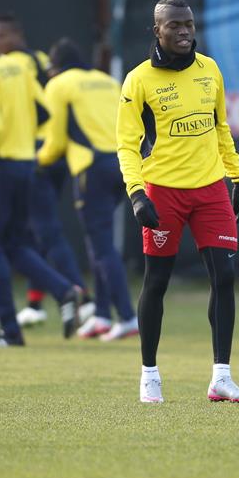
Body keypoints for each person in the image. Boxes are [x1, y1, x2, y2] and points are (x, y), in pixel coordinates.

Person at [116, 0, 239, 404]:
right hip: (162, 191)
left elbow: (220, 127)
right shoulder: (138, 80)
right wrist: (137, 194)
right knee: (157, 281)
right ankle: (149, 375)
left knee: (224, 278)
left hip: (210, 189)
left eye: (189, 24)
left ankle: (221, 378)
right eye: (174, 25)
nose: (184, 31)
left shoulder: (210, 69)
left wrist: (238, 177)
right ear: (156, 30)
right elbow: (126, 145)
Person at [0, 23, 84, 346]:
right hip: (25, 167)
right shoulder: (18, 67)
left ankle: (10, 331)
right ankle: (65, 291)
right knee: (15, 244)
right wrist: (20, 136)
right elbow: (44, 111)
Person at [0, 13, 95, 327]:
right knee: (31, 230)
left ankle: (82, 298)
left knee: (45, 230)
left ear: (15, 35)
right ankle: (35, 304)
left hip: (34, 153)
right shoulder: (40, 60)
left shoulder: (14, 65)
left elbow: (40, 109)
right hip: (52, 153)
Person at [37, 38, 138, 341]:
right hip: (125, 164)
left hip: (91, 168)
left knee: (101, 247)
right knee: (101, 244)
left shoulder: (58, 84)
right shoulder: (107, 81)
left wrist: (35, 162)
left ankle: (128, 317)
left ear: (54, 67)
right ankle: (103, 316)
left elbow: (54, 144)